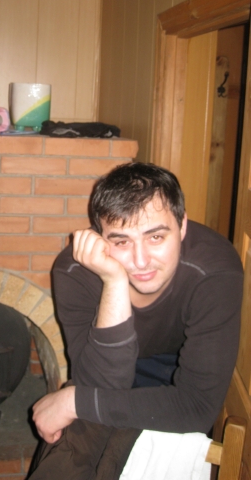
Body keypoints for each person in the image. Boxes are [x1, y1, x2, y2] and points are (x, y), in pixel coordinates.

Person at [30, 162, 244, 479]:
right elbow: (97, 383)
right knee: (66, 458)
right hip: (105, 377)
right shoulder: (75, 270)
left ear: (182, 226)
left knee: (120, 458)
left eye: (155, 237)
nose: (141, 261)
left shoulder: (214, 270)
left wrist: (74, 402)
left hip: (174, 387)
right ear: (99, 237)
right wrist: (114, 282)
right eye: (121, 242)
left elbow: (197, 406)